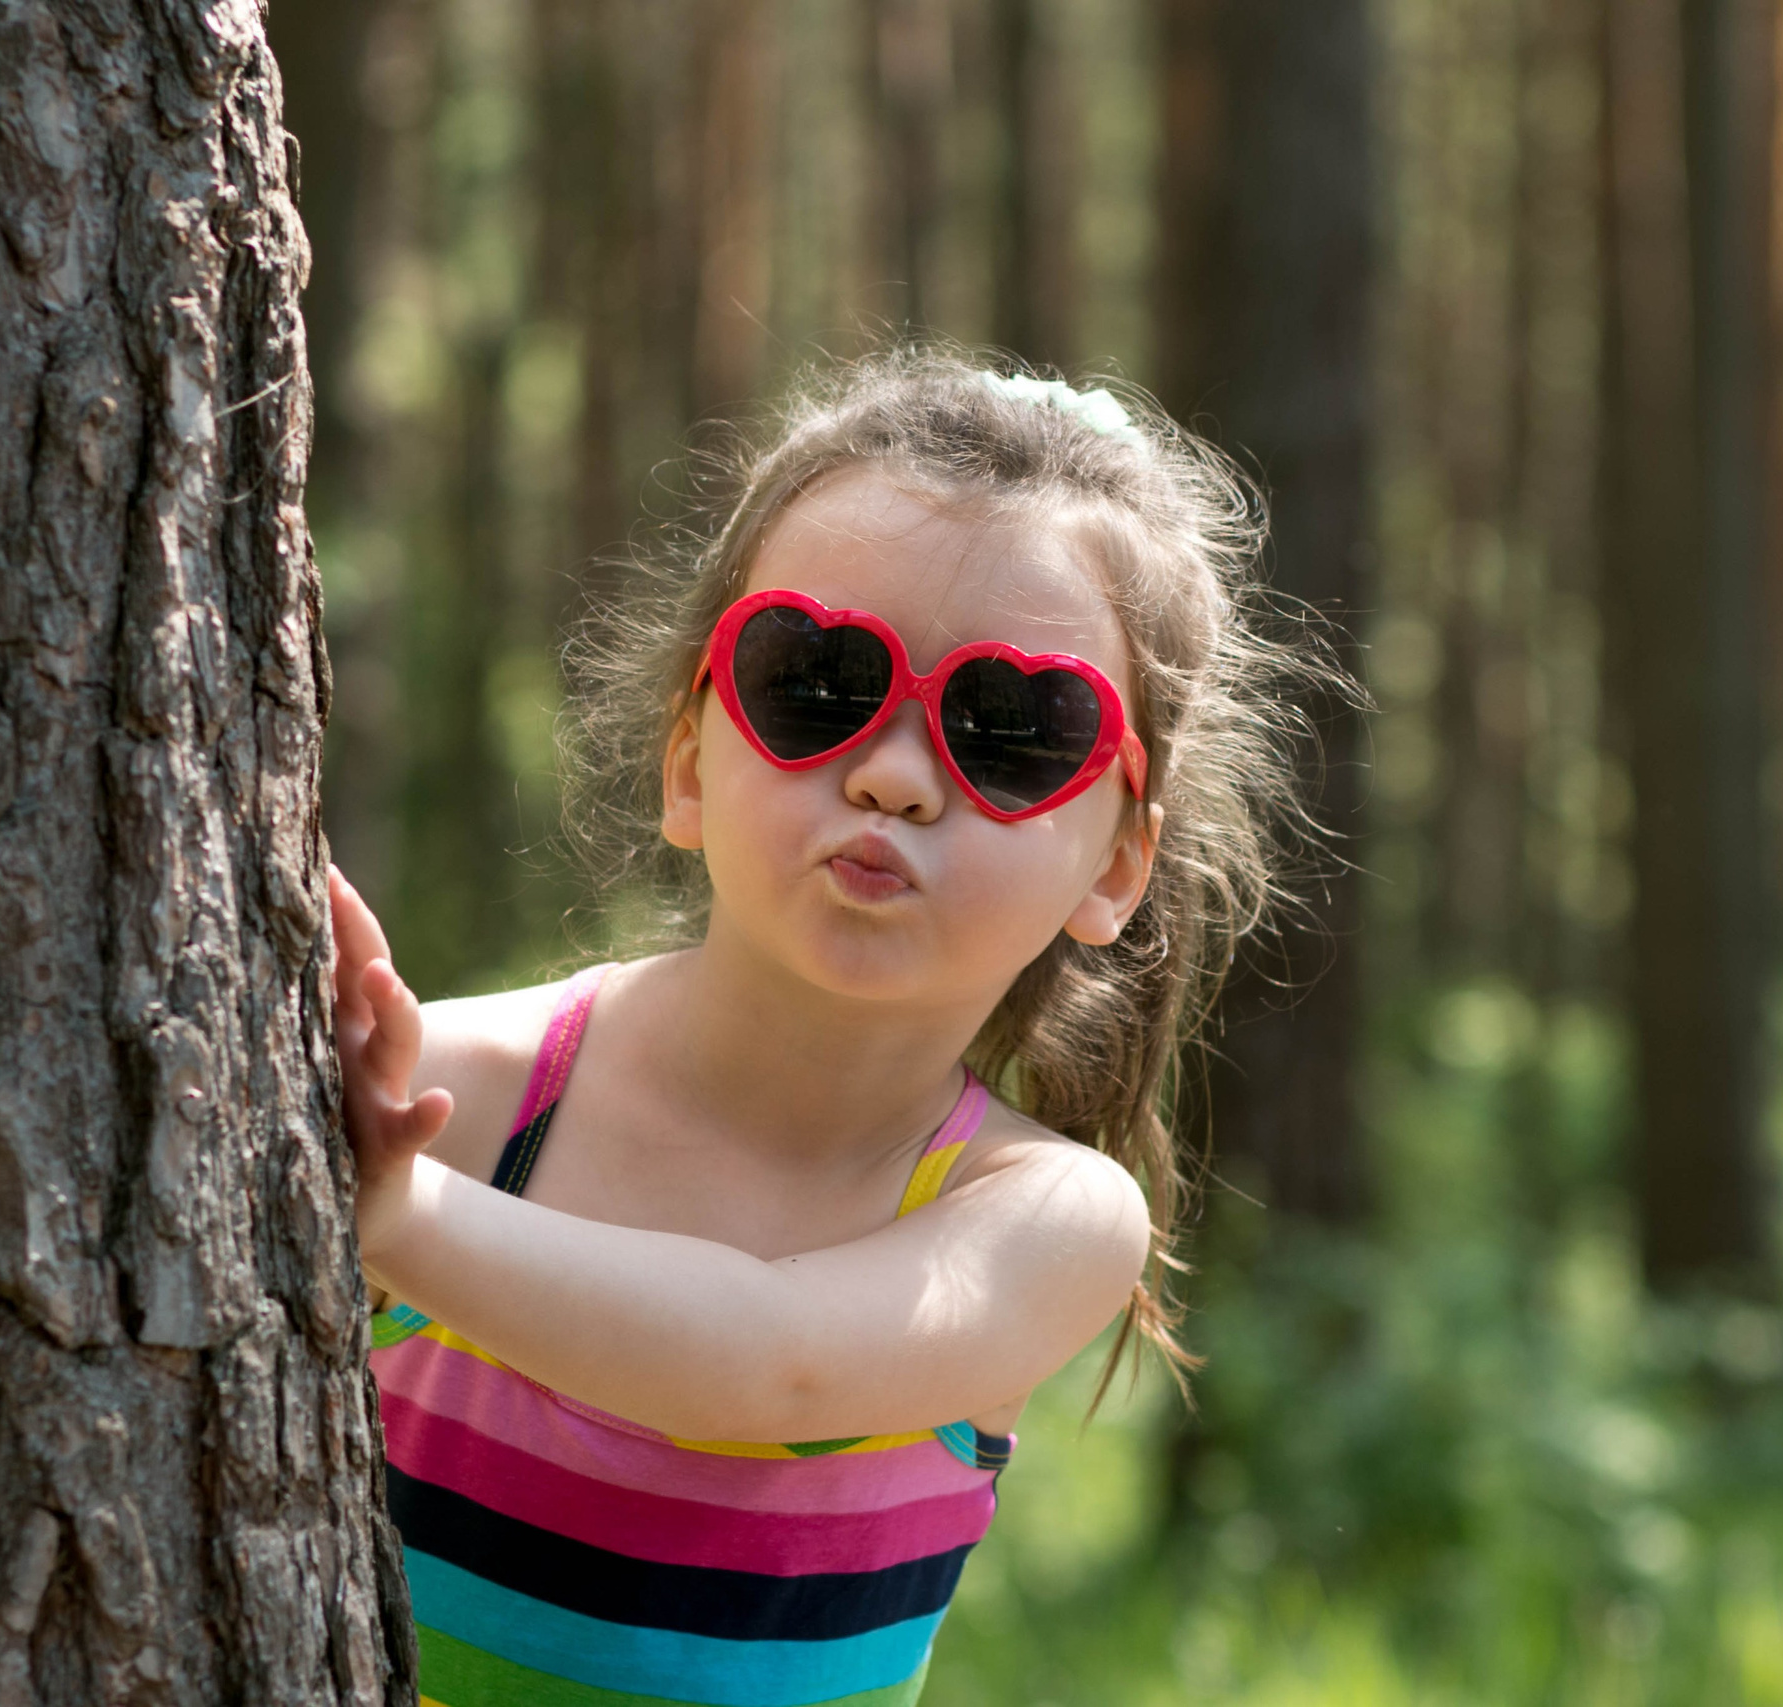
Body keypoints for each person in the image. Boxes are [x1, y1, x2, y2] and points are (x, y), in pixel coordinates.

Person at [334, 349, 1327, 1707]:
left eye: (1017, 729)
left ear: (1117, 866)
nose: (894, 774)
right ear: (691, 759)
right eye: (814, 678)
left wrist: (390, 1215)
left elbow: (772, 1365)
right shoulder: (455, 1100)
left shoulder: (1045, 1216)